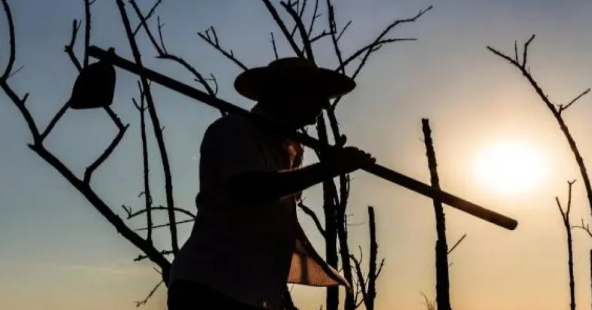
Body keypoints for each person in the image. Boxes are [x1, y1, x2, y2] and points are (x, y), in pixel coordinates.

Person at [167, 57, 376, 310]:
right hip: (212, 287)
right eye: (315, 95)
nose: (322, 106)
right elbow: (251, 190)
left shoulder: (288, 151)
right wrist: (328, 169)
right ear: (286, 93)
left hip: (252, 294)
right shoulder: (234, 129)